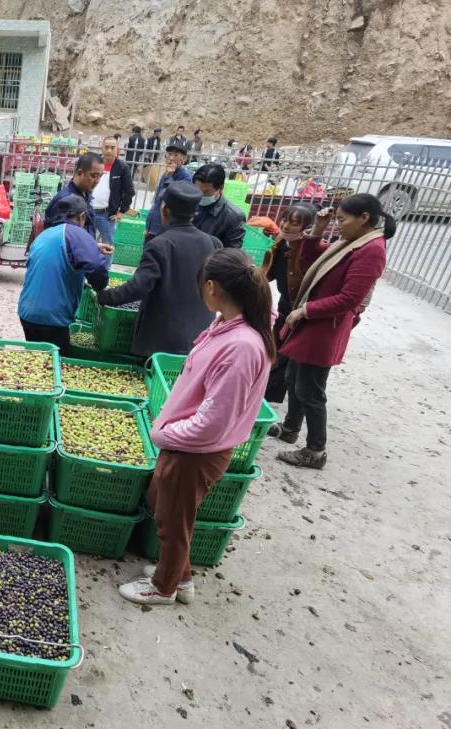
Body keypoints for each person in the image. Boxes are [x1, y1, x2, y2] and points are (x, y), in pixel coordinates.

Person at [119, 248, 275, 605]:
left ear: (211, 286)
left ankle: (164, 588)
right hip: (186, 444)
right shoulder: (229, 325)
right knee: (165, 509)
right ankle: (180, 576)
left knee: (174, 523)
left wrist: (163, 434)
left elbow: (213, 422)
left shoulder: (242, 347)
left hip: (195, 451)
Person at [273, 194, 393, 470]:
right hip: (314, 323)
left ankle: (315, 451)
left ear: (364, 218)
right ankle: (290, 428)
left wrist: (305, 310)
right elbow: (311, 256)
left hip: (325, 327)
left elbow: (350, 298)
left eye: (342, 219)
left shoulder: (371, 249)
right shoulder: (350, 241)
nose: (338, 225)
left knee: (311, 390)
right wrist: (318, 229)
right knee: (293, 377)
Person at [98, 182, 222, 356]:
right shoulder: (214, 244)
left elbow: (139, 287)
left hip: (162, 342)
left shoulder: (159, 245)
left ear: (165, 210)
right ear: (194, 213)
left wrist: (104, 296)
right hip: (199, 340)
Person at [18, 195, 113, 356]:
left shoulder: (45, 235)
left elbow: (55, 264)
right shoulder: (76, 233)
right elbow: (98, 268)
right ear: (82, 217)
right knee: (56, 364)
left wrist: (92, 248)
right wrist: (100, 287)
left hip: (27, 313)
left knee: (36, 360)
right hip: (50, 318)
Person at [260, 203, 323, 402]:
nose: (286, 226)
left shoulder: (310, 250)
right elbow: (270, 271)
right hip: (285, 301)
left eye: (294, 223)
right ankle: (268, 390)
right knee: (275, 343)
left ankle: (269, 394)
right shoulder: (281, 241)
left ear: (307, 228)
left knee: (286, 351)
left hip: (300, 307)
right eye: (285, 220)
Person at [44, 153, 106, 237]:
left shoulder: (85, 194)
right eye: (94, 176)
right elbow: (64, 239)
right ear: (80, 173)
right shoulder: (66, 201)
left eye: (100, 176)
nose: (97, 181)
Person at [143, 140, 194, 240]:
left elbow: (172, 200)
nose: (171, 158)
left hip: (165, 229)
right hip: (153, 226)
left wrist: (169, 177)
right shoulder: (167, 173)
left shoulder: (185, 178)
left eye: (176, 155)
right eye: (169, 154)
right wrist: (149, 225)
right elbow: (157, 199)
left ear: (184, 159)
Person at [92, 137, 136, 245]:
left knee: (108, 245)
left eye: (112, 148)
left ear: (118, 150)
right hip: (88, 212)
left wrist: (122, 211)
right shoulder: (93, 163)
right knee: (85, 243)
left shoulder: (122, 167)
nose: (109, 151)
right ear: (102, 148)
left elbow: (129, 191)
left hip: (106, 215)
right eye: (106, 147)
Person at [192, 163, 246, 249]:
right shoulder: (188, 201)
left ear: (220, 188)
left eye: (206, 192)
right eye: (197, 190)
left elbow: (231, 252)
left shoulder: (234, 216)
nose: (200, 195)